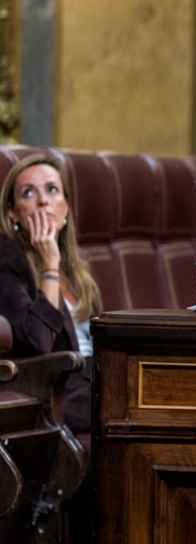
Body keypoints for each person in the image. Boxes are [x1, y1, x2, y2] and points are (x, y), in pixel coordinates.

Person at [0, 153, 101, 435]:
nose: (43, 200)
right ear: (13, 213)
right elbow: (39, 342)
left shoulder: (78, 272)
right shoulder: (7, 261)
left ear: (66, 208)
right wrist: (49, 266)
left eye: (52, 189)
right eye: (28, 193)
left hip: (97, 384)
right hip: (55, 395)